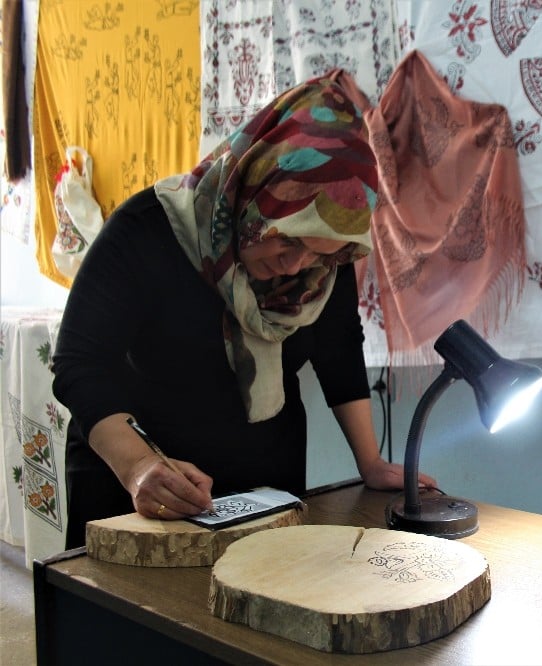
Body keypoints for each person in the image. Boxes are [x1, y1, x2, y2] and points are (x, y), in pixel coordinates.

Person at [53, 71, 435, 549]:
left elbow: (338, 346)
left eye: (320, 253)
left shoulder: (322, 261)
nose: (297, 265)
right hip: (138, 494)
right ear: (256, 187)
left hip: (264, 491)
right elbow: (78, 365)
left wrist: (371, 462)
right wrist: (139, 466)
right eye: (289, 240)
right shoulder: (148, 230)